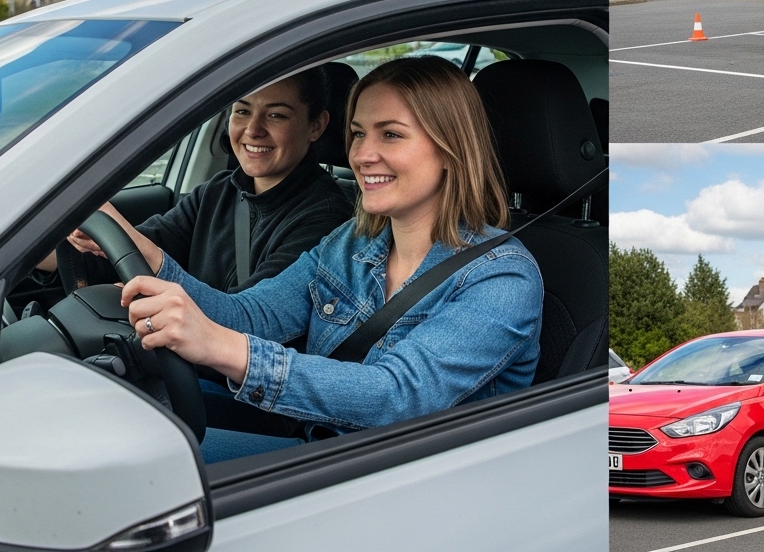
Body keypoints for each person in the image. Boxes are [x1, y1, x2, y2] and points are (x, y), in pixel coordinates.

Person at [112, 56, 542, 463]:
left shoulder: (502, 278)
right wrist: (151, 263)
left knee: (145, 461)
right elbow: (254, 314)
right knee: (125, 426)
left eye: (390, 134)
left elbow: (396, 396)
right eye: (358, 133)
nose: (361, 155)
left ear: (450, 149)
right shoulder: (353, 241)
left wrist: (222, 347)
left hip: (403, 478)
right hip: (325, 444)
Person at [44, 67, 353, 295]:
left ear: (316, 125)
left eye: (276, 115)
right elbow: (142, 251)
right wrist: (64, 242)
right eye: (242, 110)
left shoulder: (327, 219)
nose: (253, 129)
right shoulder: (217, 193)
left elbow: (249, 315)